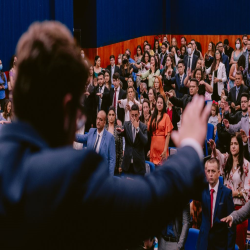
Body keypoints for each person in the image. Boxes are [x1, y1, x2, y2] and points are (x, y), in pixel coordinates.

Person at [0, 21, 213, 250]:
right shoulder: (70, 175)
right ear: (67, 107)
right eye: (78, 115)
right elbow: (147, 205)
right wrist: (191, 147)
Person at [209, 136, 250, 250]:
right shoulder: (227, 160)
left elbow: (248, 191)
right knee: (224, 244)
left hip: (240, 211)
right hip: (225, 209)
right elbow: (217, 161)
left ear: (240, 146)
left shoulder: (246, 165)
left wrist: (233, 193)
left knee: (237, 246)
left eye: (235, 144)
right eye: (231, 143)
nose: (233, 146)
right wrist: (213, 149)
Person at [196, 158, 236, 250]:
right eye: (208, 171)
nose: (210, 174)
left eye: (213, 171)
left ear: (218, 173)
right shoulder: (202, 189)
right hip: (203, 243)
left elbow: (231, 226)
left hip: (220, 245)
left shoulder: (227, 193)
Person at [75, 110, 116, 176]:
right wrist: (69, 134)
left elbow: (112, 160)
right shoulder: (92, 132)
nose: (98, 121)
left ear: (105, 122)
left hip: (101, 173)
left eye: (100, 119)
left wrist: (110, 178)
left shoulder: (110, 137)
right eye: (97, 118)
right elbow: (81, 138)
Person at [117, 104, 147, 176]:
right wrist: (120, 131)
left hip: (139, 165)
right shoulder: (126, 124)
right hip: (128, 164)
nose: (134, 117)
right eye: (132, 115)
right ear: (130, 115)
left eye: (136, 115)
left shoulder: (143, 127)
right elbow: (121, 132)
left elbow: (145, 141)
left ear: (139, 114)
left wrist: (137, 128)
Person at [148, 95, 173, 165]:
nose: (159, 104)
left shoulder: (166, 116)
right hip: (153, 148)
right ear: (156, 104)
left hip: (162, 149)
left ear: (163, 105)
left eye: (161, 103)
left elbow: (168, 135)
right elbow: (148, 130)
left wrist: (165, 150)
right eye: (158, 102)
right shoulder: (153, 116)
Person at [105, 107, 123, 175]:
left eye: (113, 115)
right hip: (105, 161)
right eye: (109, 115)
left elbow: (121, 149)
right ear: (107, 116)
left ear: (115, 116)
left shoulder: (119, 129)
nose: (111, 117)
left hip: (116, 161)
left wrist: (120, 165)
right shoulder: (104, 129)